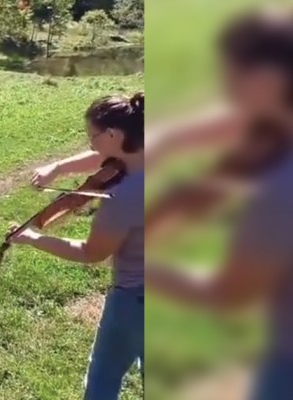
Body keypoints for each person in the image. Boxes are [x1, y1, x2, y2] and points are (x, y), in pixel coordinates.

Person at [143, 9, 293, 400]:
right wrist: (172, 142)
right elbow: (236, 124)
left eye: (232, 73)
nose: (225, 86)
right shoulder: (273, 133)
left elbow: (231, 293)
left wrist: (154, 271)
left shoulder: (280, 191)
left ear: (268, 79)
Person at [7, 92, 144, 399]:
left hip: (137, 302)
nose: (90, 144)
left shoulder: (124, 198)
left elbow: (91, 252)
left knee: (104, 376)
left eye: (92, 136)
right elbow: (108, 156)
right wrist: (58, 168)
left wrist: (32, 238)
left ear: (113, 134)